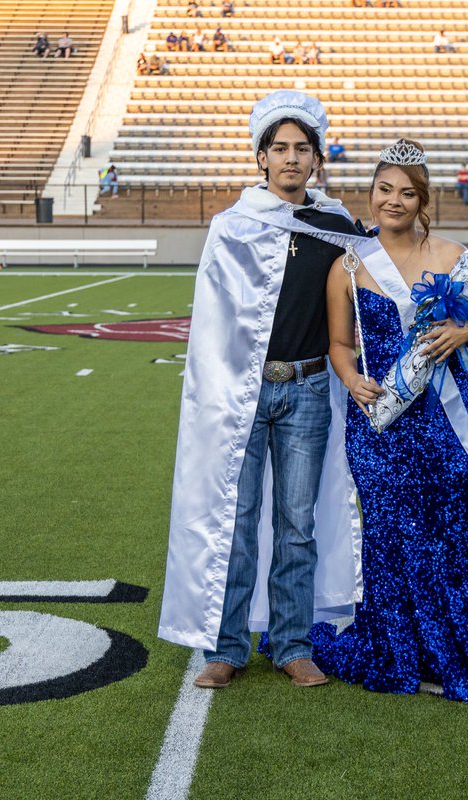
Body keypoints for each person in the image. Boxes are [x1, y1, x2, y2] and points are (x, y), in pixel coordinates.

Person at [158, 91, 370, 690]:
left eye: (303, 149)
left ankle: (293, 644)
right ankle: (227, 647)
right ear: (261, 157)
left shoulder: (338, 228)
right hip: (242, 397)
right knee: (237, 519)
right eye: (280, 148)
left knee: (298, 523)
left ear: (318, 158)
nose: (291, 159)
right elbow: (213, 327)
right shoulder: (233, 227)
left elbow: (377, 292)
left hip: (307, 391)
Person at [312, 139, 468, 702]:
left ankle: (450, 644)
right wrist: (350, 377)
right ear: (371, 195)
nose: (394, 201)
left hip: (441, 421)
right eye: (385, 190)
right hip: (378, 420)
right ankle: (396, 645)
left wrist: (467, 331)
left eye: (406, 193)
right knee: (387, 535)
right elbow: (339, 343)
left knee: (446, 534)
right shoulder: (348, 266)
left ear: (422, 200)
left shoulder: (454, 256)